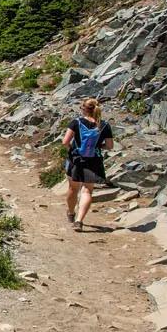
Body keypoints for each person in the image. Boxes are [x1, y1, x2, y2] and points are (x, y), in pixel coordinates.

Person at [63, 97, 114, 232]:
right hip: (94, 160)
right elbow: (109, 146)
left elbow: (65, 141)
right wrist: (98, 147)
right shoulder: (104, 125)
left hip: (76, 159)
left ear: (84, 109)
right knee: (87, 190)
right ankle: (79, 221)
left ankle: (70, 213)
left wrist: (72, 150)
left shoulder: (76, 122)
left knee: (73, 188)